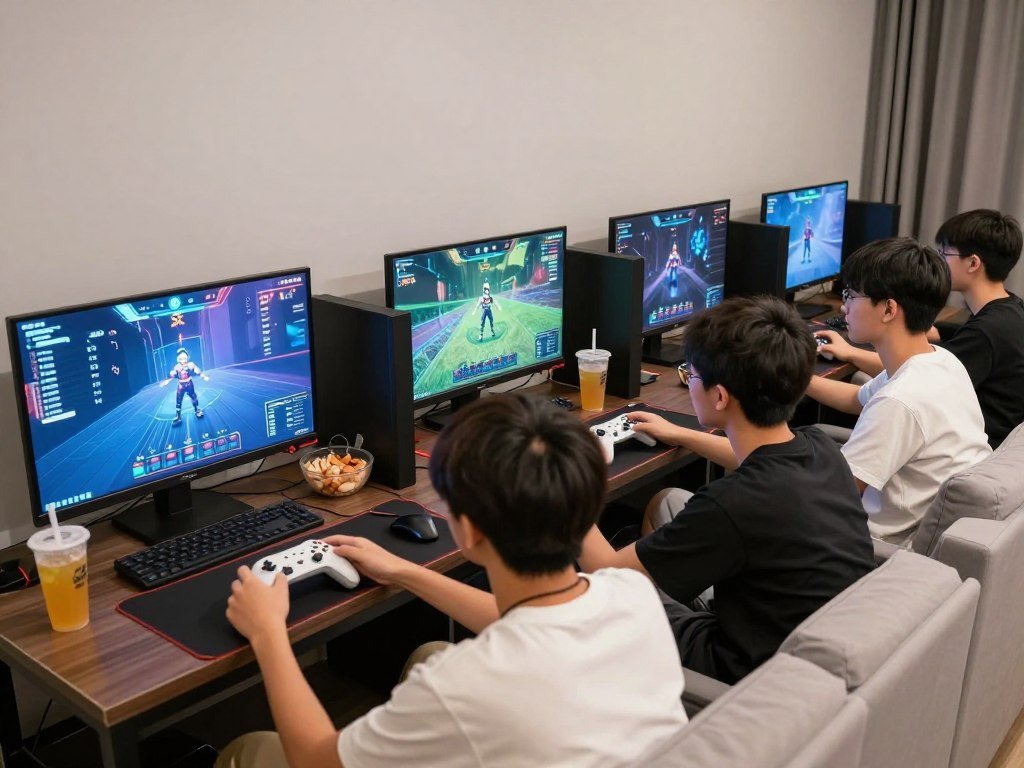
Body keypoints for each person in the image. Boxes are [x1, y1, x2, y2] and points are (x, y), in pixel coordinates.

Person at [217, 393, 688, 768]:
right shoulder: (631, 593)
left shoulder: (462, 685)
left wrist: (268, 633)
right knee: (430, 652)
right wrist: (405, 572)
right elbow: (529, 624)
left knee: (253, 749)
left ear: (469, 529)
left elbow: (317, 758)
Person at [577, 296, 875, 684]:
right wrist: (680, 432)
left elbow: (607, 571)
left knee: (598, 597)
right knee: (661, 504)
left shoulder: (733, 503)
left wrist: (572, 483)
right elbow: (757, 460)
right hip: (809, 643)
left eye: (692, 375)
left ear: (720, 396)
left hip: (746, 672)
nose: (690, 381)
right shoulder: (820, 447)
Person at [806, 237, 991, 545]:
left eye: (850, 295)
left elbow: (831, 495)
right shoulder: (940, 360)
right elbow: (856, 398)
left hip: (874, 549)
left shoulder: (900, 401)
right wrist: (796, 379)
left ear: (889, 309)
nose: (843, 306)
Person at [816, 210, 1024, 448]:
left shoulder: (981, 337)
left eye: (944, 253)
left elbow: (907, 370)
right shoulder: (1010, 309)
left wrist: (850, 352)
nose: (844, 307)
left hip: (982, 445)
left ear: (974, 263)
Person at [159, 347, 209, 426]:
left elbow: (197, 371)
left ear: (187, 358)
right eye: (181, 358)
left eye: (185, 358)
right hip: (181, 385)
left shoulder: (190, 364)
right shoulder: (176, 367)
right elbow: (172, 376)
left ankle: (197, 410)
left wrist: (203, 376)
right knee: (178, 401)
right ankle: (178, 418)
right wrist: (165, 382)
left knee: (194, 397)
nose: (183, 360)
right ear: (178, 359)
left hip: (189, 384)